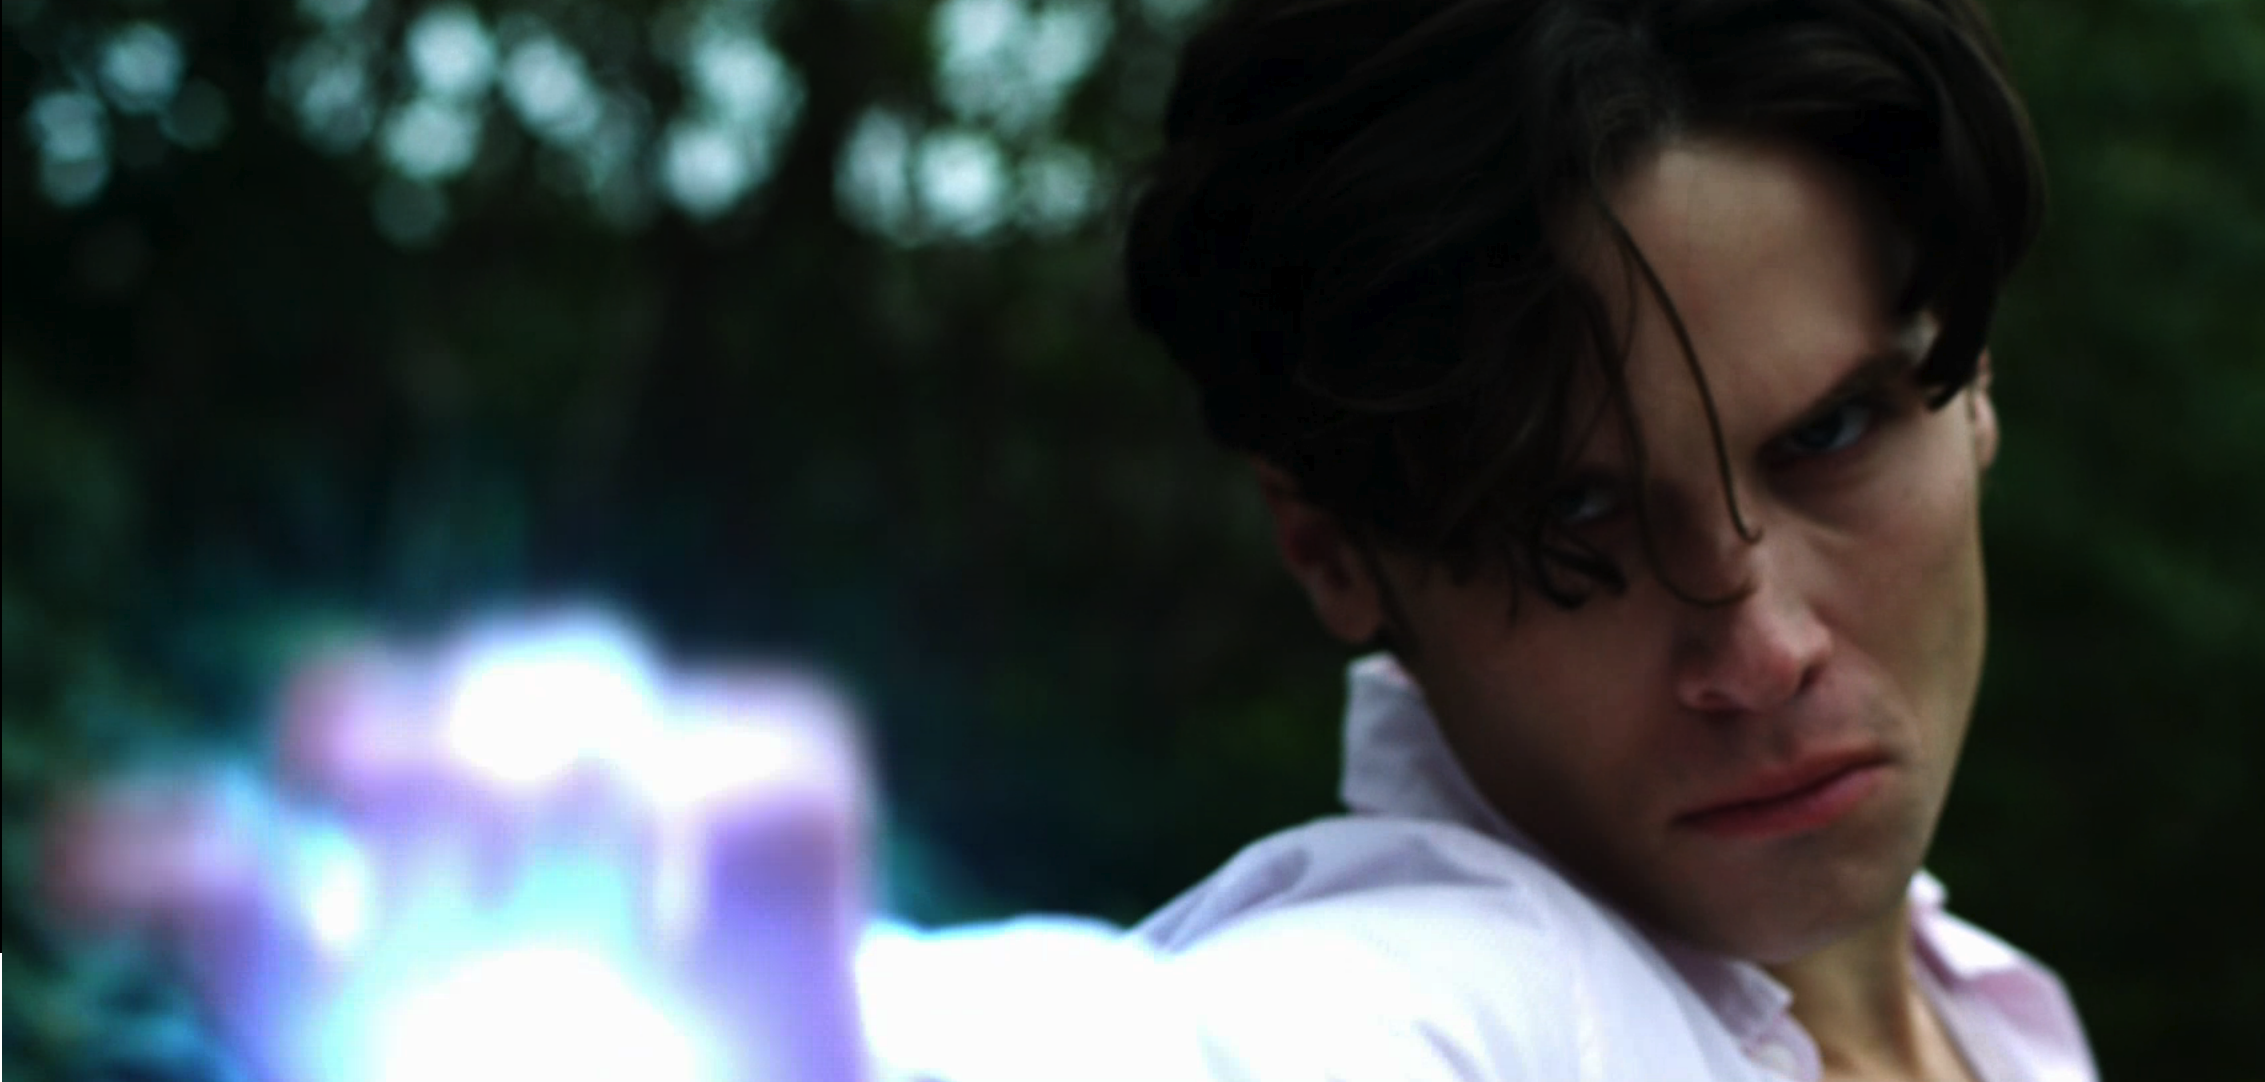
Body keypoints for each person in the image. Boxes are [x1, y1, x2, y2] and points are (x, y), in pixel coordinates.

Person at [46, 0, 2097, 1079]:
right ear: (1332, 552)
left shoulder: (2006, 1013)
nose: (1759, 642)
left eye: (1833, 432)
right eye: (1573, 520)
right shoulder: (1478, 1002)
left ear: (1974, 378)